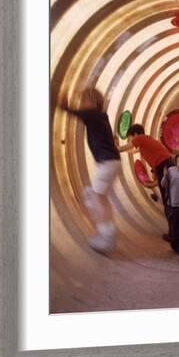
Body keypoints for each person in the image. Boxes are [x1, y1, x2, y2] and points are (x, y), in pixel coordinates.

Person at [60, 88, 121, 254]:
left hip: (108, 162)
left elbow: (78, 113)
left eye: (83, 100)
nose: (82, 103)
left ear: (92, 102)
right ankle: (109, 233)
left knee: (95, 197)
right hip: (112, 162)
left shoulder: (92, 114)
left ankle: (106, 237)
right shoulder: (101, 117)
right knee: (102, 198)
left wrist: (64, 107)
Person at [119, 124, 175, 219]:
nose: (130, 141)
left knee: (168, 200)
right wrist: (154, 184)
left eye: (130, 138)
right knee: (173, 198)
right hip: (169, 165)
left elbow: (124, 148)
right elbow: (131, 151)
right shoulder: (148, 141)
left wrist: (109, 145)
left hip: (164, 165)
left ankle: (175, 231)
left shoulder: (140, 138)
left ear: (136, 134)